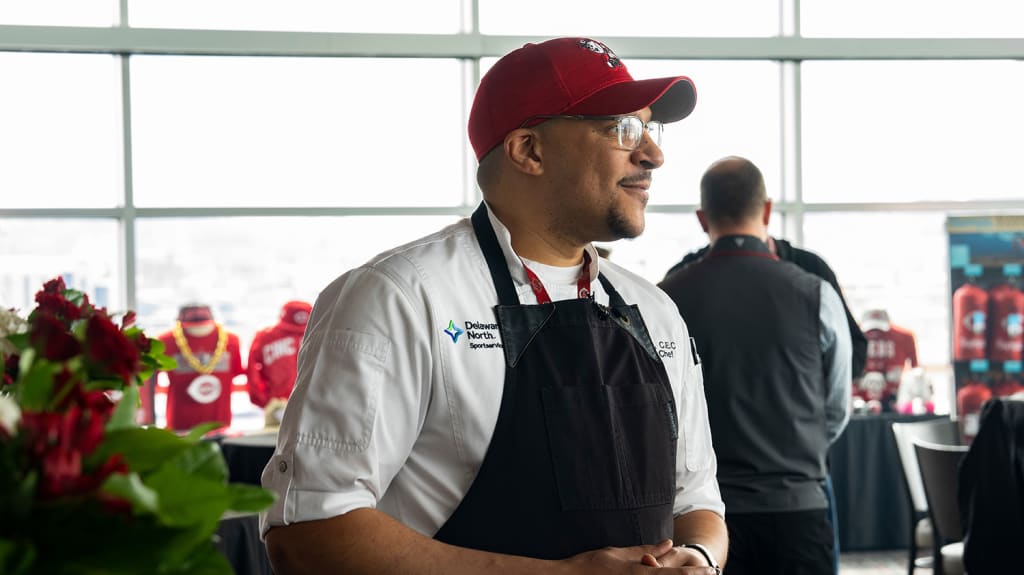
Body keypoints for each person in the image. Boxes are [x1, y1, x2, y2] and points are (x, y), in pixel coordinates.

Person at [261, 37, 728, 575]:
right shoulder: (400, 298)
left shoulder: (655, 311)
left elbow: (697, 502)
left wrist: (698, 558)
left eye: (652, 128)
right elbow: (308, 532)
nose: (653, 154)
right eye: (621, 128)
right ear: (529, 150)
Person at [659, 156, 851, 575]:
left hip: (704, 522)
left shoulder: (665, 299)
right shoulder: (816, 293)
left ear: (701, 218)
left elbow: (658, 411)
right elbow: (835, 408)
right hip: (797, 509)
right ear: (766, 210)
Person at [663, 219, 867, 381]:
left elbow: (854, 356)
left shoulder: (811, 268)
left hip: (792, 424)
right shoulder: (813, 282)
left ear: (703, 219)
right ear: (767, 211)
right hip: (797, 426)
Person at [155, 303, 244, 432]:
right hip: (179, 427)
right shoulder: (164, 342)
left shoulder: (232, 341)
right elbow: (148, 385)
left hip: (220, 427)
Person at [245, 300, 312, 425]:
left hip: (316, 406)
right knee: (275, 442)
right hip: (278, 407)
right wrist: (265, 401)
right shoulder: (265, 337)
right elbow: (252, 371)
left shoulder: (323, 337)